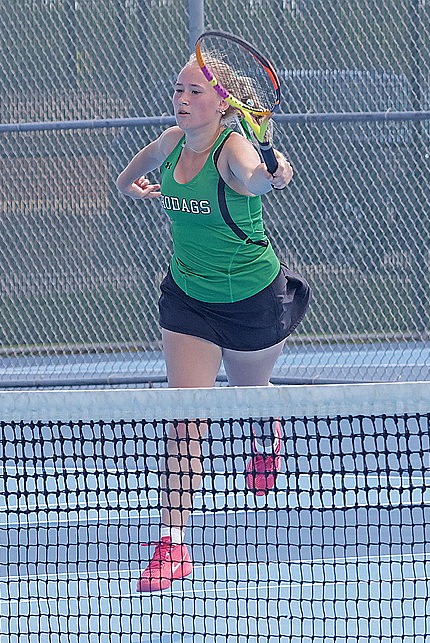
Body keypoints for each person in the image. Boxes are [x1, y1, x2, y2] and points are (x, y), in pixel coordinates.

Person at [115, 56, 310, 592]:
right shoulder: (170, 142)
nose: (180, 97)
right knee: (187, 418)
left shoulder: (234, 148)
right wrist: (140, 189)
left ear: (222, 101)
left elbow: (254, 179)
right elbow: (127, 176)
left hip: (251, 299)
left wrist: (274, 173)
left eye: (193, 89)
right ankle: (172, 545)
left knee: (251, 392)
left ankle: (265, 436)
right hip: (189, 299)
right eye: (177, 87)